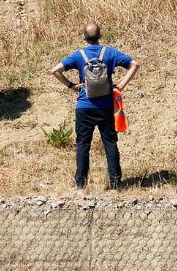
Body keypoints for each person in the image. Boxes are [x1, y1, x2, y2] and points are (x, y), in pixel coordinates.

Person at [48, 23, 140, 191]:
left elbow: (55, 70)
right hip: (105, 106)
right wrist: (120, 85)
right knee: (110, 143)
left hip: (84, 107)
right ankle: (115, 184)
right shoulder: (110, 53)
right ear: (100, 36)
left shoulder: (78, 55)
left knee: (83, 144)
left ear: (84, 37)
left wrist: (71, 85)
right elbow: (135, 64)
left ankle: (81, 184)